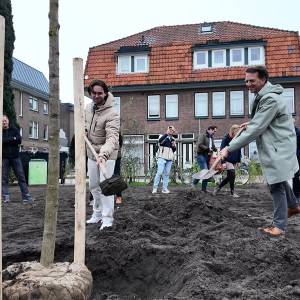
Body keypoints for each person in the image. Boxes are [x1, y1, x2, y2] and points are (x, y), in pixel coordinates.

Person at [220, 65, 300, 236]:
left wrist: (229, 147)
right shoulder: (265, 96)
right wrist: (252, 122)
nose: (248, 84)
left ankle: (278, 227)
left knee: (275, 184)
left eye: (252, 81)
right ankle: (293, 206)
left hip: (278, 146)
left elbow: (257, 129)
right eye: (246, 81)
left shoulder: (269, 98)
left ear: (263, 79)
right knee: (279, 178)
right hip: (279, 144)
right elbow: (266, 119)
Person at [85, 80, 120, 230]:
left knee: (106, 187)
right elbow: (85, 125)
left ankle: (107, 219)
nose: (97, 96)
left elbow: (112, 137)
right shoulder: (88, 108)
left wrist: (104, 154)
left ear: (105, 93)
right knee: (93, 185)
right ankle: (97, 214)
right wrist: (84, 131)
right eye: (94, 93)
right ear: (91, 93)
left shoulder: (112, 113)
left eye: (100, 93)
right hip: (92, 153)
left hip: (108, 154)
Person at [2, 115, 33, 203]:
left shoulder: (14, 130)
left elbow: (19, 140)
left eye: (5, 120)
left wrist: (7, 140)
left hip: (15, 157)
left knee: (21, 177)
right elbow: (2, 142)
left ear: (8, 121)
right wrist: (12, 139)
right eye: (2, 121)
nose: (4, 122)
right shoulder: (1, 132)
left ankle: (26, 197)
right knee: (4, 178)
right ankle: (6, 197)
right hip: (5, 158)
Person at [213, 124, 241, 198]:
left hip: (234, 160)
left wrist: (238, 161)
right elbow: (222, 150)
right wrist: (223, 162)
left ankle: (218, 188)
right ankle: (232, 193)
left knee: (230, 177)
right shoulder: (226, 139)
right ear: (233, 131)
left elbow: (239, 150)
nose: (238, 134)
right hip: (227, 160)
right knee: (232, 174)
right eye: (237, 132)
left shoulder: (237, 139)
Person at [192, 125, 217, 193]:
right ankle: (194, 184)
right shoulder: (202, 135)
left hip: (207, 156)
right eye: (214, 131)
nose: (214, 132)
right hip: (200, 155)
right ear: (209, 129)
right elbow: (199, 144)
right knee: (205, 170)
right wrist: (208, 149)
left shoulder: (211, 137)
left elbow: (213, 146)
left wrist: (215, 149)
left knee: (206, 172)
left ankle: (203, 189)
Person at [152, 126, 177, 194]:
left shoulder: (173, 139)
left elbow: (173, 150)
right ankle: (155, 188)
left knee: (166, 174)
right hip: (161, 157)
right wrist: (166, 134)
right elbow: (160, 142)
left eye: (172, 130)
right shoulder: (162, 136)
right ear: (168, 130)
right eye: (170, 130)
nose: (171, 131)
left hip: (169, 159)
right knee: (159, 172)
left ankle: (164, 189)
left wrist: (174, 146)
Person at [114, 132, 123, 205]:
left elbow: (120, 142)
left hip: (116, 156)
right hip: (103, 155)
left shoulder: (116, 132)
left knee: (116, 176)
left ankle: (118, 196)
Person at [293, 124, 300, 200]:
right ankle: (296, 195)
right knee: (295, 177)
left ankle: (297, 195)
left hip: (297, 157)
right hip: (291, 158)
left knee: (296, 177)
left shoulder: (298, 132)